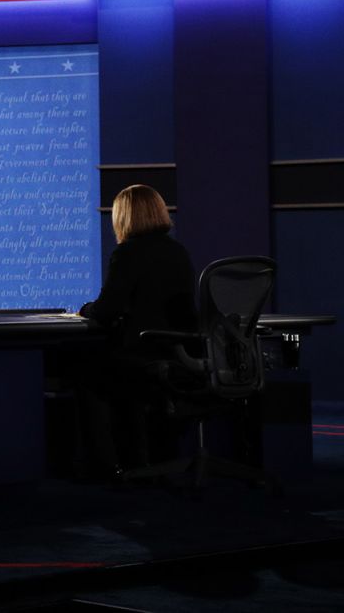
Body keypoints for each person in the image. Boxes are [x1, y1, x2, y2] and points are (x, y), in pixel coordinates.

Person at [73, 184, 196, 481]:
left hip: (143, 356)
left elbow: (106, 311)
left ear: (125, 217)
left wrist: (85, 310)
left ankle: (106, 467)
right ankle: (141, 456)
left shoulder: (127, 253)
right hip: (180, 356)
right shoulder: (178, 251)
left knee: (85, 373)